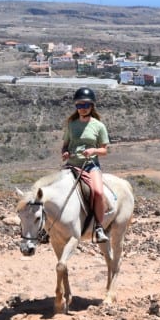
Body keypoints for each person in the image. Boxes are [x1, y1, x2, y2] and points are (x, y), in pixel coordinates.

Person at [61, 87, 111, 243]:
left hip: (90, 166)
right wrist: (65, 152)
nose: (82, 109)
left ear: (92, 106)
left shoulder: (98, 126)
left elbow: (104, 150)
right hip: (72, 165)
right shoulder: (71, 124)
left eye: (85, 105)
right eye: (79, 106)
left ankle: (99, 227)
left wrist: (94, 150)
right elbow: (66, 144)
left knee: (97, 192)